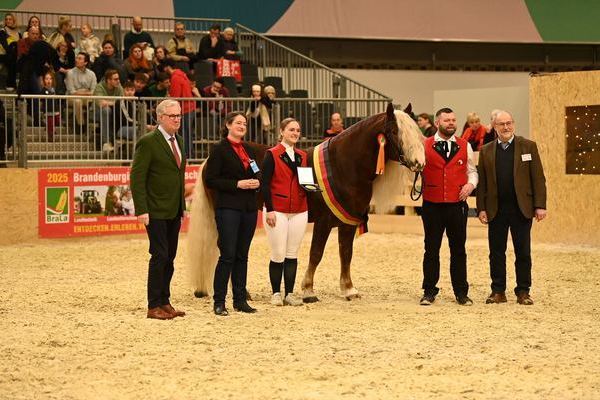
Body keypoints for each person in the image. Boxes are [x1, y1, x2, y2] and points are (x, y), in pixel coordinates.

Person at [476, 110, 547, 306]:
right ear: (494, 127)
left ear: (513, 124)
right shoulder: (486, 150)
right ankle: (498, 291)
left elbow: (538, 178)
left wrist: (540, 205)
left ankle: (523, 291)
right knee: (496, 252)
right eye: (501, 124)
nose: (506, 127)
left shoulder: (528, 146)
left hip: (521, 209)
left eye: (509, 123)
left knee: (523, 252)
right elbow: (482, 183)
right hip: (496, 209)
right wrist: (481, 208)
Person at [130, 99, 187, 320]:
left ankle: (165, 301)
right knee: (160, 254)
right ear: (161, 117)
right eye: (173, 116)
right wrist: (141, 209)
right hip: (155, 210)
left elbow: (176, 174)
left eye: (179, 115)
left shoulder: (179, 140)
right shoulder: (148, 142)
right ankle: (153, 305)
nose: (177, 119)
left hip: (174, 209)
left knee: (170, 256)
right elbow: (137, 177)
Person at [419, 107, 478, 306]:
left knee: (458, 250)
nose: (451, 123)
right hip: (432, 205)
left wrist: (471, 185)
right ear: (437, 123)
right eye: (447, 120)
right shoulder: (424, 145)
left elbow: (472, 171)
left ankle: (461, 292)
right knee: (431, 249)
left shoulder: (465, 145)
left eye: (453, 120)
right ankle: (429, 291)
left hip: (457, 206)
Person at [204, 111, 260, 316]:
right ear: (228, 125)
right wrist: (238, 184)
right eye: (238, 123)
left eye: (244, 123)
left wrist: (256, 180)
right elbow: (211, 180)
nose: (242, 126)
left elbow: (255, 171)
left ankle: (239, 299)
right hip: (228, 207)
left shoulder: (248, 149)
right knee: (227, 255)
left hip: (248, 208)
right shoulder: (219, 149)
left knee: (242, 256)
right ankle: (219, 301)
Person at [261, 118, 308, 307]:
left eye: (297, 130)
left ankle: (289, 293)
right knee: (278, 253)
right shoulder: (271, 154)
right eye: (291, 129)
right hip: (277, 209)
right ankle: (275, 293)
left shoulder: (302, 155)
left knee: (292, 253)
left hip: (299, 209)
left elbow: (304, 180)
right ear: (282, 131)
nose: (295, 133)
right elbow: (264, 184)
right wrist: (269, 209)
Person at [163, 59, 196, 158]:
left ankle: (186, 156)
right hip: (190, 107)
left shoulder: (175, 77)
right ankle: (189, 155)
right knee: (188, 134)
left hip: (185, 108)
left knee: (185, 134)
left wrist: (168, 99)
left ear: (168, 67)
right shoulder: (182, 74)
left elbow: (175, 96)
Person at [93, 69, 124, 152]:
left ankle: (117, 140)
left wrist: (109, 102)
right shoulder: (99, 87)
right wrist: (114, 103)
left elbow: (123, 102)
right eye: (115, 79)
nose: (118, 81)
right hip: (96, 112)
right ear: (108, 80)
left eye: (118, 79)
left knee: (119, 112)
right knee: (106, 110)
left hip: (113, 111)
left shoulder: (119, 87)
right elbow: (101, 103)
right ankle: (106, 143)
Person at [65, 52, 97, 133]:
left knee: (96, 101)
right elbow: (72, 92)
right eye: (77, 58)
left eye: (79, 59)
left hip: (87, 98)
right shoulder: (70, 73)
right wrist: (86, 92)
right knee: (78, 101)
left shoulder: (92, 74)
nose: (76, 60)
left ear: (85, 62)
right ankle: (81, 125)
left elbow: (94, 91)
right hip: (71, 98)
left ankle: (96, 125)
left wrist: (80, 92)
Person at [0, 13, 21, 90]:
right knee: (13, 46)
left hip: (13, 56)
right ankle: (11, 84)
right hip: (3, 55)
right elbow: (5, 46)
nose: (8, 21)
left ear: (13, 21)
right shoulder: (3, 31)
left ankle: (13, 85)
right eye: (6, 19)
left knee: (13, 60)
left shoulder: (18, 33)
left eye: (10, 19)